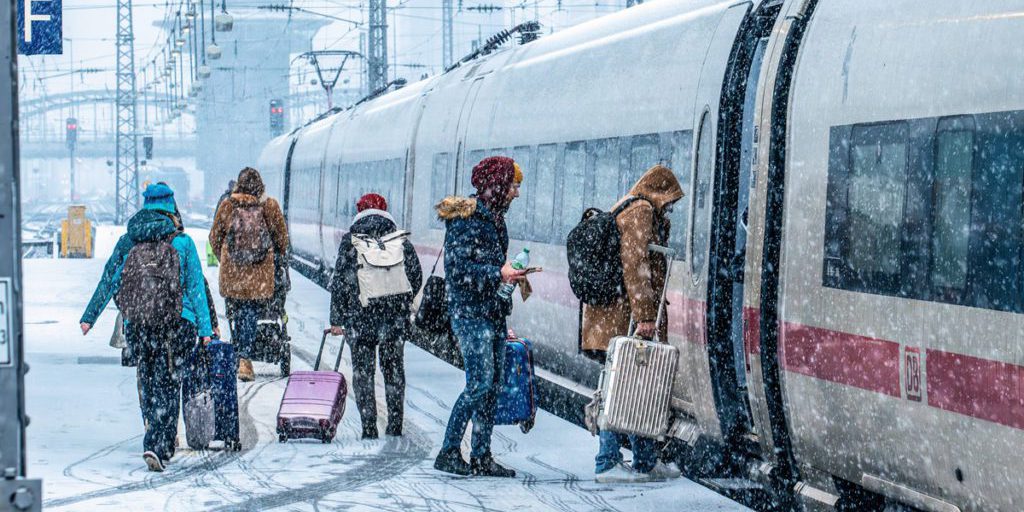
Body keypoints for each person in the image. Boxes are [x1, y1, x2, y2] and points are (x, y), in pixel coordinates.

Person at [79, 183, 213, 472]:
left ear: (145, 205)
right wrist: (205, 328)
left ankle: (154, 435)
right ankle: (160, 442)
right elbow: (196, 287)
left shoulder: (130, 240)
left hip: (138, 323)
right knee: (171, 380)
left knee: (149, 379)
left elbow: (110, 279)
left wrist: (90, 316)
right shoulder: (183, 242)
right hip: (178, 322)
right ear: (171, 206)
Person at [581, 164, 684, 483]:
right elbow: (636, 265)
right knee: (621, 389)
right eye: (670, 199)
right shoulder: (639, 210)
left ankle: (644, 460)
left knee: (639, 386)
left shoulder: (635, 207)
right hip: (623, 319)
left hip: (620, 316)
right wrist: (645, 318)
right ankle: (608, 462)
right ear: (659, 190)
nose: (670, 206)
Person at [433, 156, 526, 477]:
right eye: (513, 186)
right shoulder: (467, 219)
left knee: (493, 386)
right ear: (497, 185)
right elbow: (457, 271)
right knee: (479, 384)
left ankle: (482, 455)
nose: (516, 193)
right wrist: (498, 273)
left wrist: (505, 280)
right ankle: (448, 451)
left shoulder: (495, 218)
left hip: (493, 314)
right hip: (470, 315)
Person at [328, 193, 423, 439]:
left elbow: (339, 282)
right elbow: (415, 274)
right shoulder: (398, 240)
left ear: (359, 212)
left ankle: (369, 427)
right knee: (393, 371)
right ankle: (395, 425)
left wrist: (337, 319)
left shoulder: (351, 241)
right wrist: (401, 302)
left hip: (360, 319)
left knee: (363, 372)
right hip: (393, 318)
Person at [209, 167, 289, 382]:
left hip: (234, 275)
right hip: (260, 275)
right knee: (251, 310)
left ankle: (242, 355)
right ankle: (244, 355)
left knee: (240, 311)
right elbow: (282, 240)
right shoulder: (269, 206)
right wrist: (273, 259)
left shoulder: (228, 205)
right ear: (260, 186)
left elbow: (214, 237)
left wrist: (226, 258)